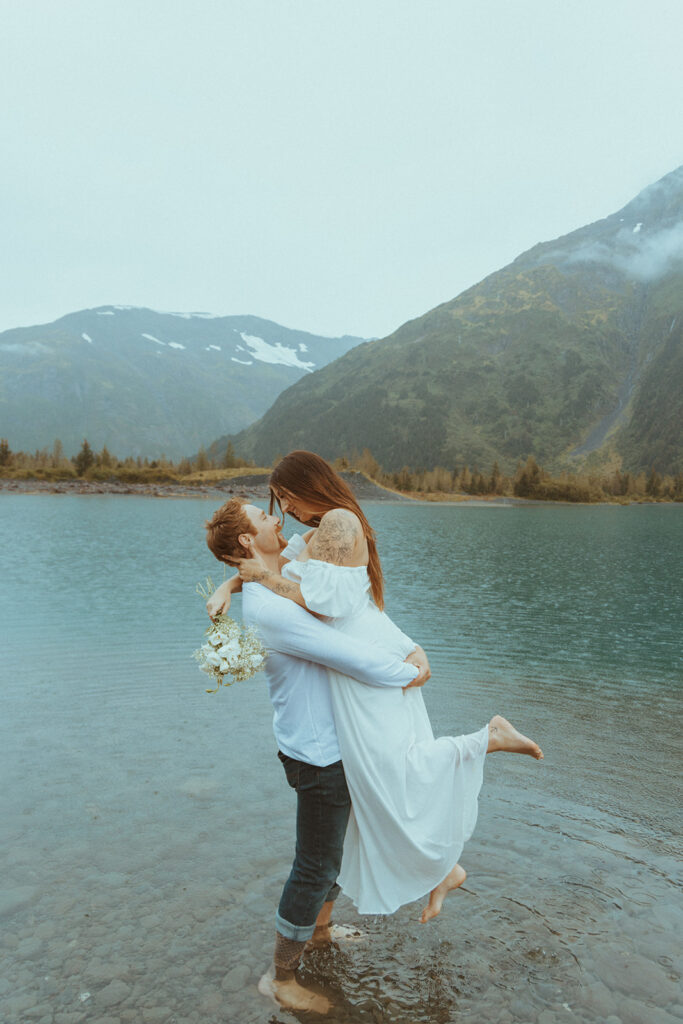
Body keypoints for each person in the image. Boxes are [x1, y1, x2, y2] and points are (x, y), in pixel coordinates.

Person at [208, 451, 543, 930]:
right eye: (273, 508)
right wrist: (231, 585)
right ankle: (442, 869)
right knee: (382, 779)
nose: (284, 512)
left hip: (376, 657)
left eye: (282, 500)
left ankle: (485, 742)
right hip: (371, 654)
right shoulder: (318, 534)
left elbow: (324, 602)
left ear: (307, 486)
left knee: (394, 767)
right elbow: (273, 564)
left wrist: (259, 577)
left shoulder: (339, 524)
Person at [204, 498, 427, 1014]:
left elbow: (293, 570)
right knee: (315, 862)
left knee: (333, 852)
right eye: (265, 517)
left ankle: (321, 932)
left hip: (329, 743)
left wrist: (229, 580)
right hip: (317, 754)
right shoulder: (270, 610)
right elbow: (345, 654)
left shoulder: (279, 568)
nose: (279, 519)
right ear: (245, 541)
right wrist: (409, 672)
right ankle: (280, 977)